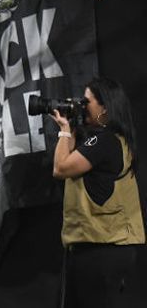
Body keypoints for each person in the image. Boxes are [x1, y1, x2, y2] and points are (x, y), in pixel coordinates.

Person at [50, 77, 145, 308]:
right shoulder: (114, 140)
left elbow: (61, 168)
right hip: (105, 246)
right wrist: (71, 126)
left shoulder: (104, 141)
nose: (81, 106)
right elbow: (72, 159)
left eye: (86, 101)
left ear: (105, 106)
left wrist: (64, 130)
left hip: (102, 248)